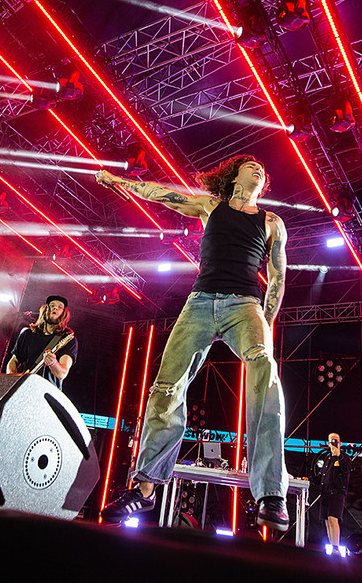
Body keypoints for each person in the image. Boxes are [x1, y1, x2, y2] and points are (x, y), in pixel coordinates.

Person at [96, 155, 291, 531]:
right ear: (234, 176)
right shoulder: (210, 206)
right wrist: (119, 181)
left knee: (265, 373)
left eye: (263, 168)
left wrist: (266, 323)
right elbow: (160, 194)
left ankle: (270, 494)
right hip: (200, 303)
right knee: (166, 386)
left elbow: (278, 276)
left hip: (246, 305)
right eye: (251, 166)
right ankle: (145, 488)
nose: (260, 169)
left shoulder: (271, 222)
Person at [5, 295, 76, 390]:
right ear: (45, 310)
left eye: (60, 307)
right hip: (24, 389)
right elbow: (14, 361)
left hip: (46, 393)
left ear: (64, 314)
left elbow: (62, 374)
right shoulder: (27, 334)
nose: (55, 308)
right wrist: (11, 378)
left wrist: (53, 363)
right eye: (52, 305)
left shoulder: (68, 340)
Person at [322, 432, 351, 555]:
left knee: (333, 518)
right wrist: (309, 479)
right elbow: (323, 475)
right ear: (328, 443)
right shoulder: (328, 458)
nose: (334, 443)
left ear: (340, 443)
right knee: (327, 520)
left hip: (337, 493)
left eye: (336, 441)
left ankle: (336, 547)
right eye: (331, 441)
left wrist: (338, 455)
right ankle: (331, 545)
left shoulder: (344, 457)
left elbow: (346, 469)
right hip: (326, 492)